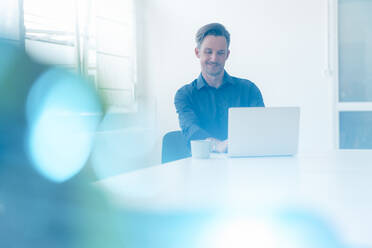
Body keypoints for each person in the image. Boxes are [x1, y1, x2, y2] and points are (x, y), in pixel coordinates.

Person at [174, 23, 265, 153]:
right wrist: (217, 145)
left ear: (227, 55)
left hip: (243, 163)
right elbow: (191, 129)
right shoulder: (185, 95)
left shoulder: (249, 90)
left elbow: (259, 127)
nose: (214, 58)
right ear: (197, 52)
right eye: (208, 51)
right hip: (203, 165)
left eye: (220, 53)